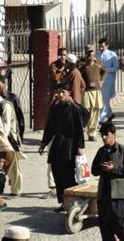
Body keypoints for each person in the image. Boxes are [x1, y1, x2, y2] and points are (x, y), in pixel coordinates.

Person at [39, 83, 86, 212]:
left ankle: (72, 201)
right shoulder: (56, 107)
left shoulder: (75, 109)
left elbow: (79, 130)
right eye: (58, 92)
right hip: (57, 144)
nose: (60, 95)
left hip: (70, 146)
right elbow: (50, 127)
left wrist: (80, 147)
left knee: (67, 175)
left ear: (69, 93)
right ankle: (63, 202)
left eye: (63, 92)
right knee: (57, 172)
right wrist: (44, 142)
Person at [91, 122, 124, 241]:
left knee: (121, 228)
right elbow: (93, 170)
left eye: (106, 134)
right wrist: (102, 168)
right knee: (105, 228)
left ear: (114, 134)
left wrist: (114, 169)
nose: (104, 137)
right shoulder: (101, 151)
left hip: (120, 197)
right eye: (102, 135)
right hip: (104, 196)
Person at [0, 81, 23, 198]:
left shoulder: (5, 106)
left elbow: (6, 127)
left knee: (14, 168)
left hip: (9, 140)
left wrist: (1, 142)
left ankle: (15, 191)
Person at [80, 44, 107, 141]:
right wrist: (85, 65)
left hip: (96, 91)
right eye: (88, 52)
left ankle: (92, 133)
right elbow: (78, 73)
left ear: (94, 52)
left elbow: (105, 71)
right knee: (86, 111)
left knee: (95, 112)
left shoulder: (98, 62)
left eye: (91, 51)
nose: (89, 53)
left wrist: (102, 80)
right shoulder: (82, 63)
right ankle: (83, 130)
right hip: (86, 91)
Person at [0, 72, 25, 142]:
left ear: (4, 84)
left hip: (10, 135)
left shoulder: (12, 98)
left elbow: (20, 118)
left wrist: (20, 135)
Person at [96, 38, 119, 122]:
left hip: (109, 80)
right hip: (99, 79)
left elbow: (116, 67)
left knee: (104, 99)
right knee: (101, 98)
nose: (101, 48)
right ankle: (110, 114)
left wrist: (104, 69)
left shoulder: (112, 54)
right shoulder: (97, 54)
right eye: (99, 47)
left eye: (102, 46)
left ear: (107, 45)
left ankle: (101, 119)